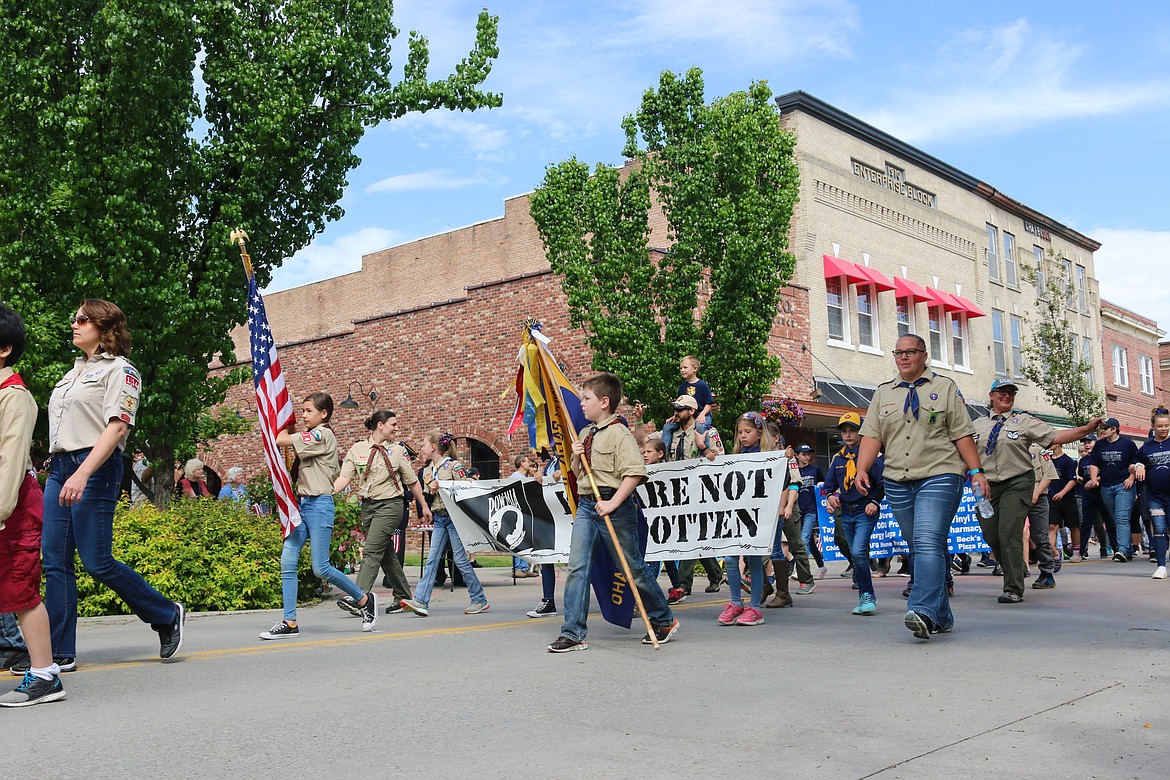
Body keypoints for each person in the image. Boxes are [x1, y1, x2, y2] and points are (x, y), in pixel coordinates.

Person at [41, 299, 184, 665]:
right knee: (55, 562)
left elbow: (117, 426)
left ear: (104, 328)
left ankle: (166, 613)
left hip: (95, 468)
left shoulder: (121, 371)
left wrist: (83, 472)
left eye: (82, 319)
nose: (73, 324)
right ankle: (58, 653)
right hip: (60, 468)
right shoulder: (71, 374)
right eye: (74, 318)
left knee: (96, 561)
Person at [855, 334, 988, 640]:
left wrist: (976, 471)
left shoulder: (945, 388)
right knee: (919, 546)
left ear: (924, 355)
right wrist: (862, 468)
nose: (903, 357)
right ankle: (941, 616)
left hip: (941, 474)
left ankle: (922, 610)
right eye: (898, 352)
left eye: (910, 352)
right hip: (898, 479)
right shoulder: (883, 393)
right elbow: (873, 435)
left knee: (927, 541)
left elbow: (961, 434)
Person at [548, 372, 677, 652]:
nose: (582, 404)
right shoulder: (585, 434)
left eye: (587, 398)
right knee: (577, 568)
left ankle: (663, 619)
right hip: (586, 505)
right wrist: (576, 453)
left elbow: (634, 473)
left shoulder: (620, 433)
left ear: (604, 402)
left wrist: (613, 503)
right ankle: (573, 632)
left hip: (614, 508)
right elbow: (576, 472)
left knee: (632, 568)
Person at [261, 392, 377, 639]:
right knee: (288, 561)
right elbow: (289, 441)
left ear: (324, 414)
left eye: (308, 411)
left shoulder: (323, 434)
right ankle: (290, 622)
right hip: (301, 505)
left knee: (320, 568)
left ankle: (364, 600)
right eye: (302, 411)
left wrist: (279, 420)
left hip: (319, 506)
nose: (304, 415)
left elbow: (281, 440)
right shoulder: (312, 434)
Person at [972, 378, 1099, 603]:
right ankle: (1015, 566)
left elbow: (1056, 437)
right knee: (991, 534)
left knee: (1009, 531)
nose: (1007, 396)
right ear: (991, 395)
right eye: (1002, 392)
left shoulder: (1024, 422)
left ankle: (1012, 588)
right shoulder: (977, 425)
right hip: (988, 486)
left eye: (1011, 392)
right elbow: (965, 453)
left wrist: (1086, 429)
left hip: (1017, 482)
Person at [0, 303, 65, 706]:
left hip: (12, 505)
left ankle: (45, 675)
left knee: (20, 590)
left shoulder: (15, 397)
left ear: (4, 349)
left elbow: (10, 459)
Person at [334, 410, 431, 617]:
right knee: (386, 554)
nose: (396, 428)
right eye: (393, 424)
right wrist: (324, 492)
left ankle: (358, 598)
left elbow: (412, 481)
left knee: (371, 551)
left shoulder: (398, 451)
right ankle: (404, 596)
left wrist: (423, 505)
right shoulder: (358, 449)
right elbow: (344, 478)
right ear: (380, 425)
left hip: (391, 506)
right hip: (368, 508)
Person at [400, 431, 490, 617]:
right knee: (433, 559)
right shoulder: (427, 470)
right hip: (440, 519)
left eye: (424, 444)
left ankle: (479, 598)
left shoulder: (454, 466)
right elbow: (425, 496)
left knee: (460, 560)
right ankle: (421, 601)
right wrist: (431, 492)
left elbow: (466, 488)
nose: (421, 449)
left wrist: (443, 485)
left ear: (433, 447)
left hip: (454, 519)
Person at [717, 412, 778, 627]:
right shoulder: (734, 457)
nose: (743, 436)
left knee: (753, 560)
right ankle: (735, 602)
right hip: (736, 515)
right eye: (740, 432)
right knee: (731, 559)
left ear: (759, 432)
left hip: (757, 516)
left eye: (748, 431)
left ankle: (754, 608)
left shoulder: (770, 456)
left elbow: (782, 482)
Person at [825, 412, 885, 616]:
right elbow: (830, 484)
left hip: (864, 511)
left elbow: (881, 483)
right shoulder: (839, 458)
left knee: (859, 552)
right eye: (844, 431)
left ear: (861, 432)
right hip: (846, 512)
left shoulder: (870, 456)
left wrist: (874, 501)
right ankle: (863, 594)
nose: (848, 435)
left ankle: (868, 595)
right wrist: (831, 496)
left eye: (852, 431)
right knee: (855, 553)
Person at [667, 394, 725, 595]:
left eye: (680, 409)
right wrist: (639, 420)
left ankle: (683, 585)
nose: (676, 412)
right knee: (696, 536)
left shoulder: (707, 432)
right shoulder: (670, 433)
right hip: (677, 493)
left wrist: (703, 447)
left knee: (689, 536)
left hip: (702, 493)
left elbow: (721, 460)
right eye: (675, 408)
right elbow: (644, 441)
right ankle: (716, 575)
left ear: (691, 411)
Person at [1084, 418, 1139, 562]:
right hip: (1106, 487)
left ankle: (1121, 549)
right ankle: (1127, 549)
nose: (1103, 431)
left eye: (1105, 428)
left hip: (1123, 485)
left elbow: (1137, 463)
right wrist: (1094, 478)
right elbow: (1094, 463)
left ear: (1114, 429)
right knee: (1116, 519)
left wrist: (1131, 478)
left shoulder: (1128, 444)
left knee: (1121, 517)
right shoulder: (1100, 445)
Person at [1135, 408, 1170, 579]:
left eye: (1167, 426)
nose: (1164, 429)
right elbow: (1133, 463)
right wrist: (1138, 466)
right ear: (1153, 426)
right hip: (1155, 496)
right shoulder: (1146, 447)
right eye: (1160, 426)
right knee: (1159, 529)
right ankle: (1161, 566)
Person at [661, 355, 714, 454]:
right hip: (687, 415)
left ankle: (703, 452)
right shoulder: (682, 387)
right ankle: (664, 454)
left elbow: (709, 403)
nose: (682, 370)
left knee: (701, 427)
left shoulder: (702, 385)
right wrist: (675, 415)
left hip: (702, 414)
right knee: (667, 427)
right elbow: (680, 405)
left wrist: (702, 414)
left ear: (695, 368)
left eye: (685, 367)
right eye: (681, 368)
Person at [1025, 444, 1060, 589]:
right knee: (1010, 534)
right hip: (1014, 496)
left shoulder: (1038, 449)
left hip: (1038, 497)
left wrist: (1037, 492)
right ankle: (1016, 569)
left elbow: (1049, 474)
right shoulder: (1010, 447)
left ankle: (1047, 573)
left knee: (1040, 536)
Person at [793, 444, 828, 579]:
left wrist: (821, 485)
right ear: (796, 455)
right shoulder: (794, 471)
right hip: (797, 509)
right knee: (810, 542)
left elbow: (823, 484)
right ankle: (821, 566)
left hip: (811, 509)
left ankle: (800, 569)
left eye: (808, 454)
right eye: (803, 454)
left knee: (804, 539)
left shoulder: (815, 469)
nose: (807, 457)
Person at [1076, 435, 1113, 559]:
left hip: (1102, 493)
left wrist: (1094, 480)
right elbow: (1082, 476)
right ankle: (1081, 551)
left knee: (1107, 522)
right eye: (1085, 442)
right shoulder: (1083, 460)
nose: (1087, 445)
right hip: (1088, 495)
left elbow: (1107, 474)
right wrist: (1082, 481)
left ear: (1095, 442)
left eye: (1089, 442)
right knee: (1085, 523)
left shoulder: (1102, 457)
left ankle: (1115, 548)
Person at [1047, 442, 1082, 561]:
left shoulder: (1068, 461)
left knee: (1073, 525)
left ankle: (1076, 551)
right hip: (1052, 498)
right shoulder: (1047, 461)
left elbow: (1072, 480)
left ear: (1058, 444)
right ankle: (1052, 553)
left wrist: (1062, 493)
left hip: (1068, 499)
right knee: (1052, 526)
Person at [507, 454, 540, 578]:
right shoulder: (516, 477)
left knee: (524, 540)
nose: (529, 464)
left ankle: (524, 567)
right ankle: (518, 568)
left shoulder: (523, 477)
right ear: (522, 464)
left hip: (524, 512)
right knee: (518, 540)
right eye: (527, 462)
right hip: (518, 512)